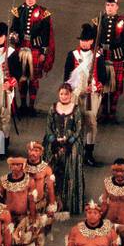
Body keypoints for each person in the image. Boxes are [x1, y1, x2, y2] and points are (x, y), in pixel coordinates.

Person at [9, 0, 55, 115]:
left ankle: (31, 106)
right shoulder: (18, 11)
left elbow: (46, 35)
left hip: (35, 49)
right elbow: (14, 28)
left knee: (33, 79)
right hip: (22, 48)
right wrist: (13, 35)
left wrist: (43, 52)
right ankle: (22, 104)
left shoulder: (43, 13)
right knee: (22, 77)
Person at [44, 79, 86, 213]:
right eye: (61, 94)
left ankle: (69, 203)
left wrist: (69, 142)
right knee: (50, 163)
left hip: (71, 143)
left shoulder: (76, 109)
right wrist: (53, 140)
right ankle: (50, 200)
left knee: (71, 160)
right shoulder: (53, 107)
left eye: (66, 94)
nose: (63, 96)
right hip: (54, 141)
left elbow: (79, 129)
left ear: (71, 95)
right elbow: (48, 126)